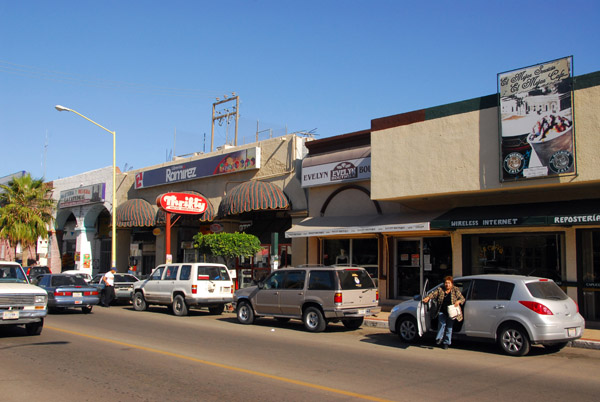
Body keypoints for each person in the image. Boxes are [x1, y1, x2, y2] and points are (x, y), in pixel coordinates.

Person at [422, 276, 465, 349]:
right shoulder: (440, 289)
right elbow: (433, 294)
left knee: (449, 327)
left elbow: (462, 298)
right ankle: (439, 338)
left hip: (451, 312)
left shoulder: (455, 290)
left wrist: (458, 301)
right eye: (446, 283)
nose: (447, 284)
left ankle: (446, 343)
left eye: (449, 283)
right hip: (442, 311)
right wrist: (428, 298)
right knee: (442, 324)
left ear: (451, 284)